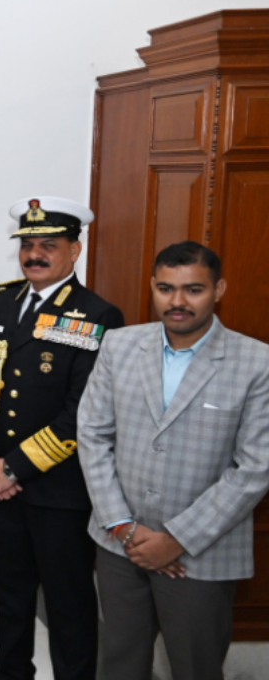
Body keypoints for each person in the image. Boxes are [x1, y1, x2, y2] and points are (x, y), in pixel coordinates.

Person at [79, 241, 269, 680]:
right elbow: (92, 434)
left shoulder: (257, 362)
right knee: (121, 663)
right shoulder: (120, 345)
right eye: (166, 288)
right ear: (152, 287)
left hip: (202, 553)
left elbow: (256, 468)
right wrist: (123, 527)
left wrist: (175, 539)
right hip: (117, 543)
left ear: (218, 288)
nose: (177, 301)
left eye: (193, 289)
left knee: (196, 666)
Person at [0, 197, 124, 680]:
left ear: (75, 250)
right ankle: (11, 673)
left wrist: (11, 469)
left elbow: (84, 412)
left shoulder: (98, 314)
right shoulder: (0, 304)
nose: (34, 254)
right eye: (28, 245)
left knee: (67, 602)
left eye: (48, 246)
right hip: (0, 484)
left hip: (58, 490)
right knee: (10, 593)